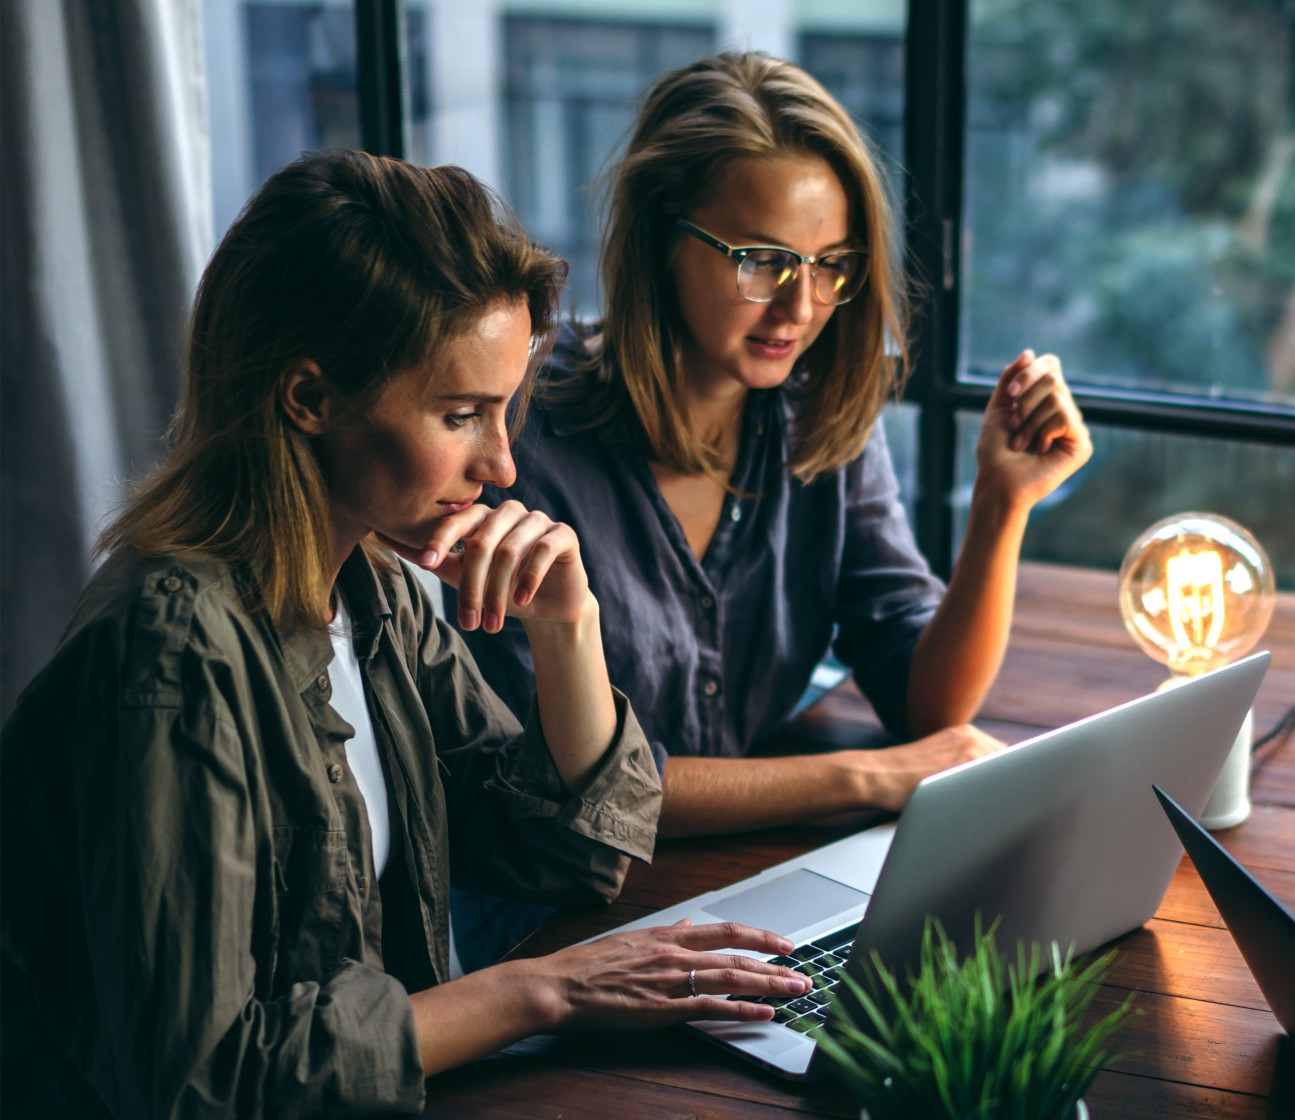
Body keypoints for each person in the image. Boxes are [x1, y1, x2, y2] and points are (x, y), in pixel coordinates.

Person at [0, 150, 814, 1119]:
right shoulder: (172, 656)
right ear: (307, 398)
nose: (503, 464)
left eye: (503, 411)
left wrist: (568, 625)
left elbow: (567, 854)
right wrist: (537, 989)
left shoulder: (368, 586)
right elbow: (201, 1080)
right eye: (460, 414)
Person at [447, 51, 1092, 846]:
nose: (801, 305)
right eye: (761, 260)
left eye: (831, 266)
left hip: (740, 873)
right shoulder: (517, 438)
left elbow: (926, 704)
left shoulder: (816, 415)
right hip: (557, 914)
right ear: (659, 238)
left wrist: (1002, 502)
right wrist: (869, 778)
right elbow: (559, 780)